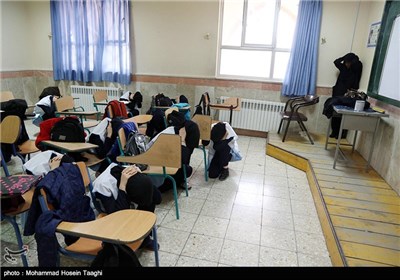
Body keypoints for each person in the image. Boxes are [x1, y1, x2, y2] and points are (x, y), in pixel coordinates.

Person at [329, 53, 363, 138]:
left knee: (343, 115)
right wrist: (344, 57)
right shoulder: (343, 68)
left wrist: (353, 59)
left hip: (347, 95)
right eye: (346, 62)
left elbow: (358, 65)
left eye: (349, 62)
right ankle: (334, 132)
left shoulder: (355, 69)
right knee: (335, 114)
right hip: (337, 92)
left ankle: (341, 133)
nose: (347, 64)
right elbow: (336, 62)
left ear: (352, 62)